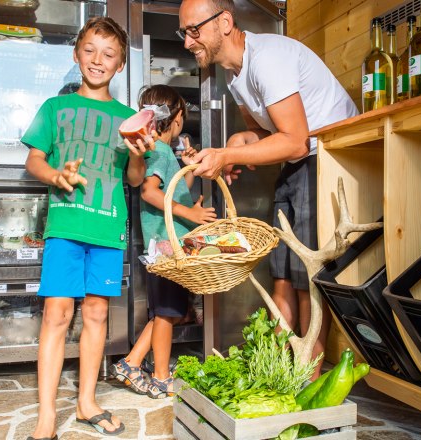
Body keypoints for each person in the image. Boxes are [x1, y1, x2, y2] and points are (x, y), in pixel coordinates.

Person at [178, 0, 360, 377]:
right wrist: (237, 146)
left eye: (193, 30)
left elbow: (295, 140)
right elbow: (268, 133)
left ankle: (306, 378)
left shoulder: (267, 59)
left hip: (329, 158)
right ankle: (275, 370)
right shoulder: (235, 74)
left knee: (308, 276)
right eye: (185, 32)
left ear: (224, 22)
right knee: (282, 273)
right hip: (300, 161)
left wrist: (227, 154)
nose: (187, 42)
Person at [21, 17, 153, 439]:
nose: (98, 60)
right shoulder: (54, 109)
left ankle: (86, 402)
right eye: (91, 50)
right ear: (76, 53)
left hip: (107, 227)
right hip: (65, 224)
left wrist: (137, 154)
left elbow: (134, 179)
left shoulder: (129, 117)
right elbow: (34, 160)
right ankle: (46, 418)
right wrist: (57, 175)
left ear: (120, 65)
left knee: (96, 313)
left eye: (109, 54)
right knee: (56, 315)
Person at [111, 85, 216, 398]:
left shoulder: (162, 151)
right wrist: (190, 213)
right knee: (168, 313)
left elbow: (175, 186)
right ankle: (159, 376)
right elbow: (150, 192)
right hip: (165, 247)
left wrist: (188, 166)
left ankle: (130, 363)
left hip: (167, 246)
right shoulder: (156, 149)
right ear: (179, 117)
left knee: (165, 312)